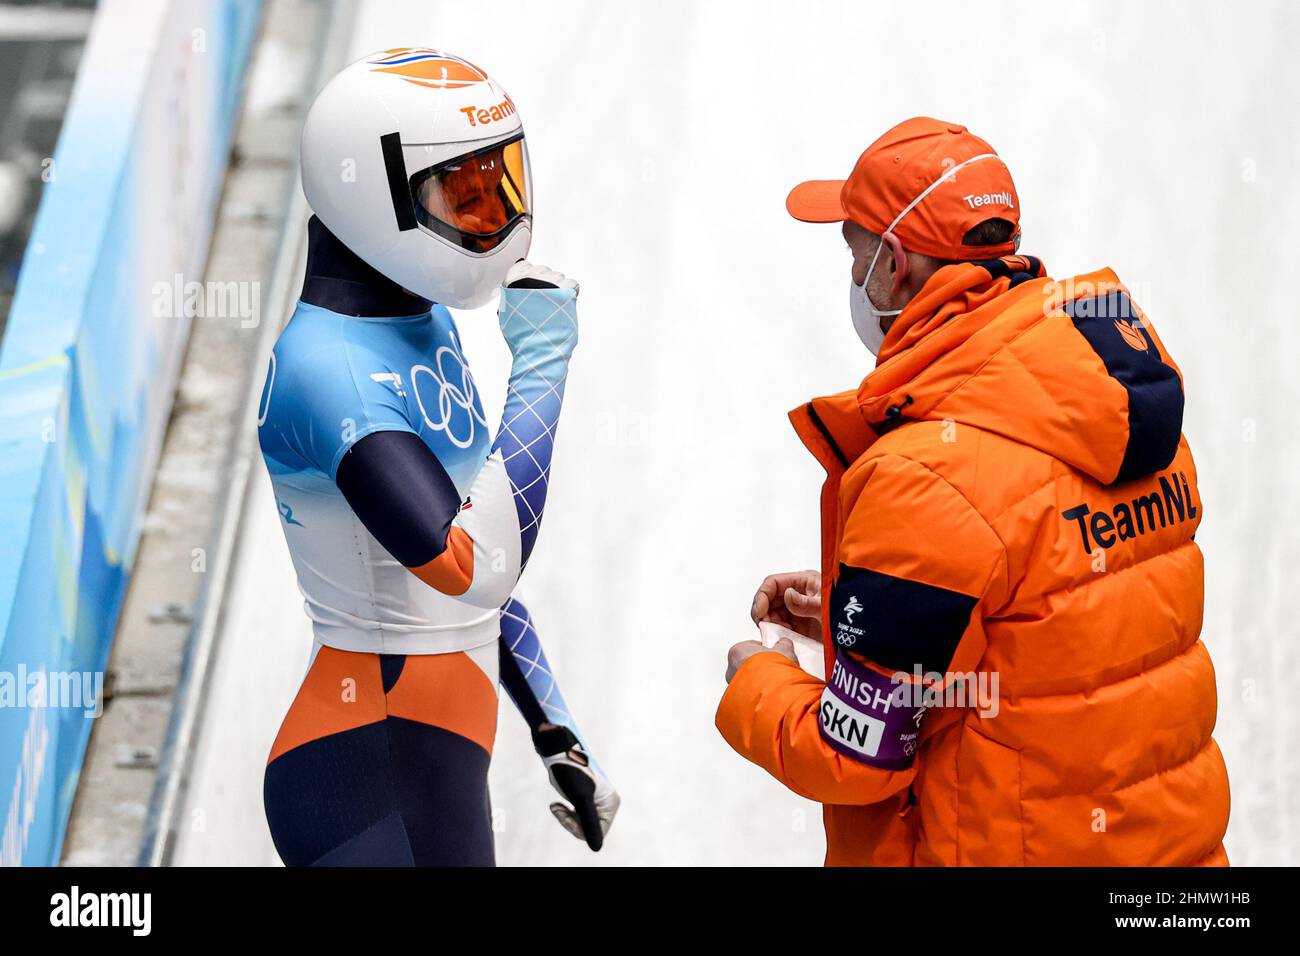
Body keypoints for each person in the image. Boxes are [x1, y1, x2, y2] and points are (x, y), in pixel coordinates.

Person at [716, 117, 1229, 866]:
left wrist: (757, 681)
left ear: (892, 265)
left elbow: (855, 755)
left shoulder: (926, 475)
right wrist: (863, 619)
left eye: (854, 255)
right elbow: (1056, 632)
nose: (852, 277)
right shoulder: (1114, 396)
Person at [256, 48, 618, 866]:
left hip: (427, 763)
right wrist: (542, 372)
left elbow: (467, 601)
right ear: (368, 195)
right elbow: (472, 565)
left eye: (501, 186)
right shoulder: (330, 373)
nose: (496, 219)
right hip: (366, 775)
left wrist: (555, 730)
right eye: (464, 195)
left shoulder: (421, 320)